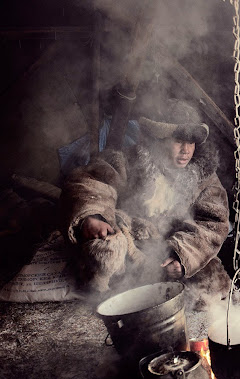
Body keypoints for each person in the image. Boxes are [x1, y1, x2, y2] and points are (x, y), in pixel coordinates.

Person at [60, 99, 231, 309]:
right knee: (106, 251)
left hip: (170, 252)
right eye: (178, 140)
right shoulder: (130, 161)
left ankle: (161, 288)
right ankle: (115, 298)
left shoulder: (204, 177)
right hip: (134, 249)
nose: (186, 150)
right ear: (158, 138)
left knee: (212, 283)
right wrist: (94, 217)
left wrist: (182, 257)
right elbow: (90, 183)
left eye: (192, 142)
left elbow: (213, 223)